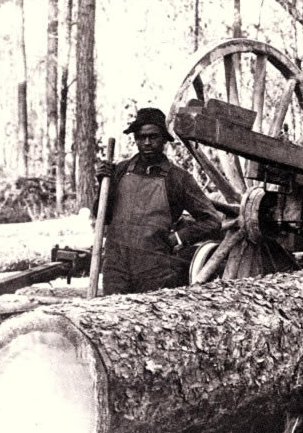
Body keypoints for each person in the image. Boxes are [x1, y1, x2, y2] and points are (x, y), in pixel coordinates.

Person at [94, 107, 223, 295]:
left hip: (155, 270)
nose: (147, 143)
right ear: (135, 139)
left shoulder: (178, 178)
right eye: (141, 137)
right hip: (116, 269)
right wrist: (103, 185)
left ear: (164, 139)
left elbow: (212, 221)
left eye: (153, 137)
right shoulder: (120, 171)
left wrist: (177, 238)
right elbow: (102, 217)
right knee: (112, 319)